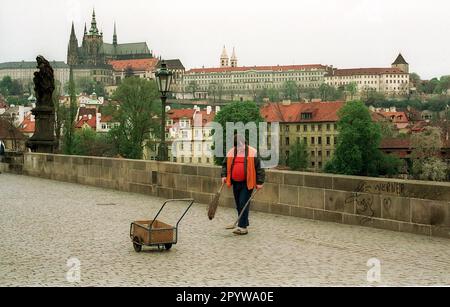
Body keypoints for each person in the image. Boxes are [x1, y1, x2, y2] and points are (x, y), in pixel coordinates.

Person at [221, 134, 265, 235]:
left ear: (245, 142)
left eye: (243, 145)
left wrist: (260, 182)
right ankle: (242, 223)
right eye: (239, 146)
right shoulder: (231, 152)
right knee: (238, 204)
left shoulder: (252, 152)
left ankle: (243, 227)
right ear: (235, 145)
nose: (241, 147)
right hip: (235, 182)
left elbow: (260, 168)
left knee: (243, 203)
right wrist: (223, 175)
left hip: (247, 182)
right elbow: (224, 165)